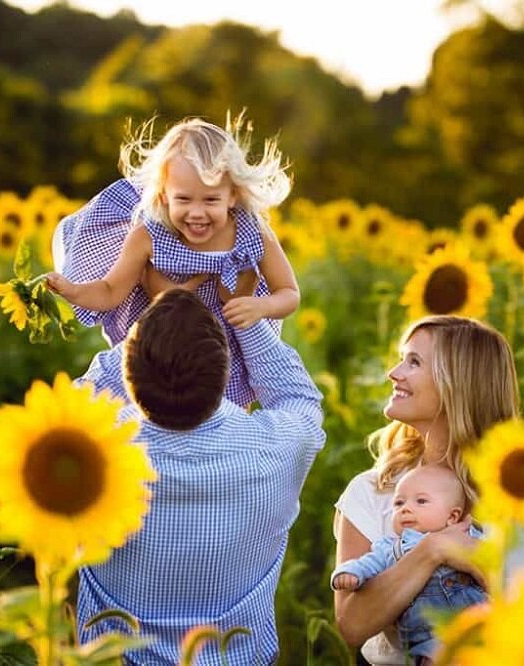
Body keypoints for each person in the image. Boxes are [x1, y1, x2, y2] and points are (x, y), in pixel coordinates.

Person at [76, 288, 325, 664]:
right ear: (226, 371)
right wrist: (246, 317)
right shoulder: (274, 450)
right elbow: (298, 398)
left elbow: (79, 399)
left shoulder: (89, 451)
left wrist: (142, 330)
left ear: (131, 372)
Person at [333, 315, 524, 665]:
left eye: (414, 362)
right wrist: (433, 550)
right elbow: (351, 624)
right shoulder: (374, 491)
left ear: (459, 385)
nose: (394, 373)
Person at [48, 114, 299, 407]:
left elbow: (289, 293)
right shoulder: (148, 236)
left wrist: (262, 306)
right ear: (164, 194)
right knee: (134, 408)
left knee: (222, 421)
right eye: (183, 199)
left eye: (210, 200)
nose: (196, 213)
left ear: (232, 195)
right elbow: (110, 290)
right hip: (163, 338)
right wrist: (73, 290)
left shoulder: (252, 232)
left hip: (227, 348)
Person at [331, 465, 487, 664]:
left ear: (452, 516)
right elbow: (367, 563)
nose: (406, 508)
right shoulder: (392, 547)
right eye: (398, 503)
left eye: (421, 501)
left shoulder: (470, 534)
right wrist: (350, 573)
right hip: (429, 642)